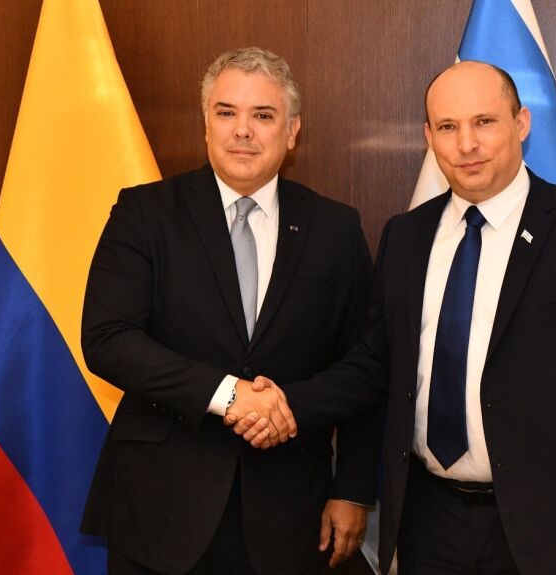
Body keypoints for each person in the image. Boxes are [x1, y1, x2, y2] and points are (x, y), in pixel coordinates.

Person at [234, 61, 556, 574]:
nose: (466, 144)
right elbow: (374, 366)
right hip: (429, 522)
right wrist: (287, 401)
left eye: (484, 122)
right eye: (447, 127)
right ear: (429, 136)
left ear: (522, 123)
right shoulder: (405, 237)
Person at [80, 47, 380, 575]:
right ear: (206, 124)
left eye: (263, 115)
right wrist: (231, 395)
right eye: (227, 113)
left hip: (293, 514)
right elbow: (109, 338)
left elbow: (364, 366)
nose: (243, 130)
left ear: (292, 132)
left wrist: (353, 489)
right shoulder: (144, 214)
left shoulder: (334, 229)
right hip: (161, 512)